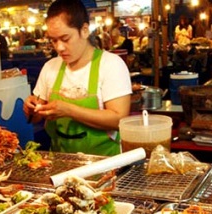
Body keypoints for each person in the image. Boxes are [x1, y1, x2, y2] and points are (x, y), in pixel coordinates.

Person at [23, 0, 131, 156]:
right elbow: (36, 118)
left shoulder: (111, 65)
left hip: (105, 166)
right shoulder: (50, 67)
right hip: (60, 166)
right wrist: (32, 109)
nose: (59, 47)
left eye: (65, 39)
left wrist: (68, 110)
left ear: (85, 30)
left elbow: (119, 119)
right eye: (54, 40)